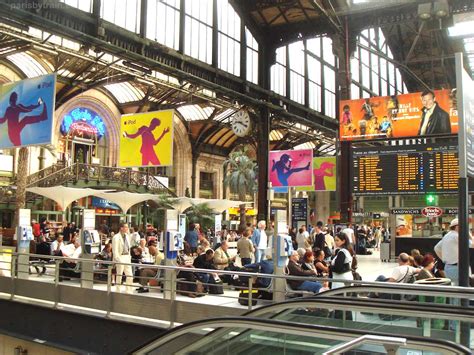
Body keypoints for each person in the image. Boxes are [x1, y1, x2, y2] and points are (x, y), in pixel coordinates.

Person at [434, 218, 474, 286]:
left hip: (448, 267)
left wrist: (445, 259)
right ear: (457, 226)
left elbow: (436, 248)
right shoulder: (457, 236)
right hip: (459, 268)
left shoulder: (447, 236)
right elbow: (472, 245)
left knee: (454, 290)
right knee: (466, 290)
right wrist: (470, 235)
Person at [112, 222, 134, 293]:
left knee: (130, 275)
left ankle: (128, 290)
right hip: (120, 257)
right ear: (121, 228)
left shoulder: (127, 236)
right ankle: (118, 290)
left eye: (127, 227)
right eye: (126, 227)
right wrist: (118, 259)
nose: (127, 229)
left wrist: (129, 256)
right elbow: (114, 250)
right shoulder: (116, 237)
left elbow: (128, 247)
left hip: (127, 257)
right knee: (119, 275)